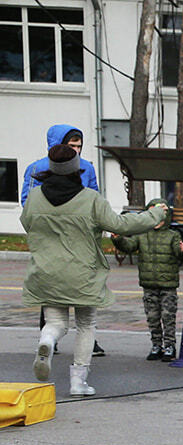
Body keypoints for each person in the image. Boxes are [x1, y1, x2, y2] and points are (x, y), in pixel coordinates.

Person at [22, 145, 167, 395]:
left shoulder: (34, 197)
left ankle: (47, 340)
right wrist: (153, 215)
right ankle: (78, 382)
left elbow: (27, 223)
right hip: (82, 274)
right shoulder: (90, 199)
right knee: (86, 324)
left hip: (45, 272)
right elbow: (121, 224)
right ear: (77, 169)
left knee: (56, 322)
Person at [22, 123, 106, 357]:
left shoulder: (87, 167)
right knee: (51, 286)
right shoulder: (37, 168)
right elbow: (27, 202)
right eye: (72, 146)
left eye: (79, 145)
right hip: (50, 236)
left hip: (80, 237)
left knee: (79, 286)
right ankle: (49, 336)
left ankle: (76, 338)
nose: (77, 150)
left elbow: (94, 196)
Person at [111, 198, 183, 362]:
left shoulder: (173, 235)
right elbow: (129, 246)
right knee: (152, 317)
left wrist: (182, 250)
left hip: (168, 285)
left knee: (168, 317)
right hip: (148, 284)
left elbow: (178, 253)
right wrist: (118, 239)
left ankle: (169, 345)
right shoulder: (142, 235)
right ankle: (156, 345)